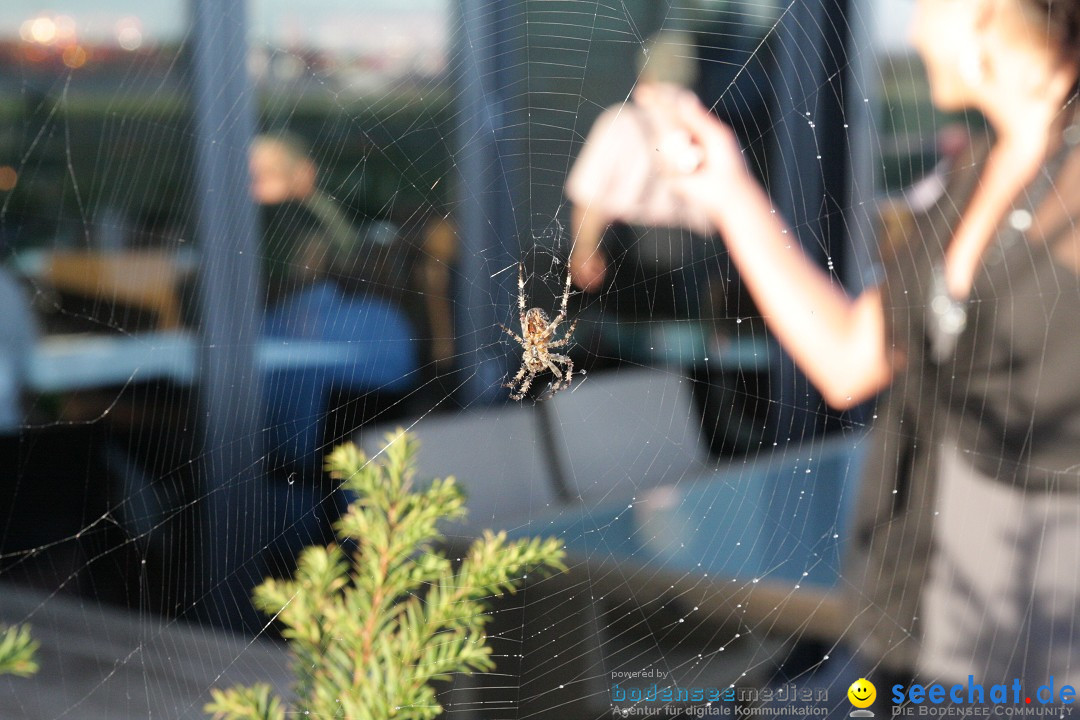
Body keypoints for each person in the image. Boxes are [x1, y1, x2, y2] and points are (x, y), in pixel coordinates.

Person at [635, 0, 1080, 703]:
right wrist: (726, 187)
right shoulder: (975, 179)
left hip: (1036, 646)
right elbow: (849, 356)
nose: (914, 30)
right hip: (913, 625)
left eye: (931, 8)